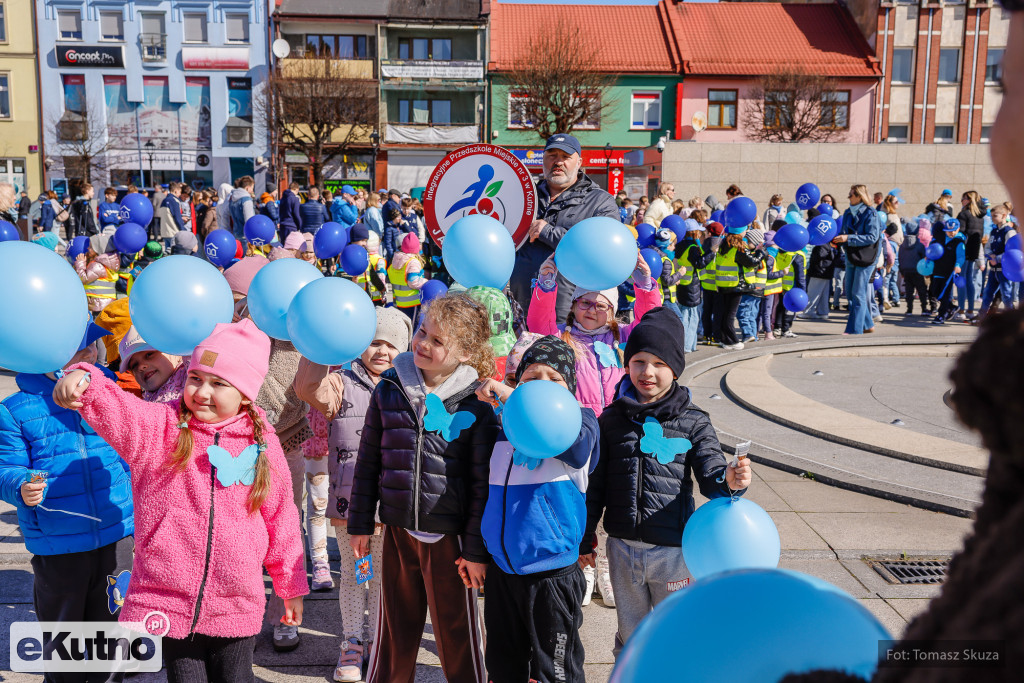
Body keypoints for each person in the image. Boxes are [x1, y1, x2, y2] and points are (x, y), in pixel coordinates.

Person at [53, 319, 309, 681]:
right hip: (168, 597)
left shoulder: (261, 444)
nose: (202, 392)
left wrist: (290, 585)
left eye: (219, 383)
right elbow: (119, 408)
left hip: (236, 598)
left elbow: (281, 517)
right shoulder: (160, 427)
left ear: (245, 393)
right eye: (196, 378)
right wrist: (85, 377)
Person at [581, 307, 751, 658]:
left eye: (659, 363)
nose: (647, 372)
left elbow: (711, 475)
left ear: (675, 368)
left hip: (673, 552)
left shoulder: (693, 421)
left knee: (677, 633)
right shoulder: (610, 420)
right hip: (622, 550)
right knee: (632, 635)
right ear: (627, 363)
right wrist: (584, 539)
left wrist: (730, 480)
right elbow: (594, 486)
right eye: (639, 361)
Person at [347, 294, 499, 683]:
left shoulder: (477, 406)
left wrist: (475, 551)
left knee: (457, 635)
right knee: (394, 631)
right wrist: (360, 523)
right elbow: (368, 461)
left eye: (437, 340)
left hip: (451, 542)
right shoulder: (389, 389)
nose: (423, 344)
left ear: (465, 353)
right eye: (422, 332)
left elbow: (482, 486)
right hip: (398, 532)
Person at [0, 325, 135, 683]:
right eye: (77, 348)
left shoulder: (108, 392)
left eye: (91, 345)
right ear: (45, 352)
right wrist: (21, 485)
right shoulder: (16, 410)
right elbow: (7, 467)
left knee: (114, 627)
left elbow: (129, 453)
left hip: (117, 531)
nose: (89, 354)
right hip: (58, 542)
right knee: (64, 634)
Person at [293, 308, 412, 683]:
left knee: (381, 577)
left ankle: (377, 639)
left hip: (391, 506)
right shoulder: (340, 383)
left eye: (391, 345)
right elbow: (306, 388)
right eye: (374, 342)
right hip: (351, 507)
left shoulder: (409, 386)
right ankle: (352, 642)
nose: (382, 351)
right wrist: (320, 346)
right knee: (358, 573)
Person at [474, 336, 600, 683]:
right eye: (531, 377)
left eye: (554, 378)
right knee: (502, 666)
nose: (542, 385)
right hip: (503, 570)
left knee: (555, 672)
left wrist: (517, 398)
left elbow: (578, 452)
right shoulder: (504, 425)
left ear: (570, 386)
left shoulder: (582, 420)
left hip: (551, 573)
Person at [529, 252, 658, 416]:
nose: (591, 310)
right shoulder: (559, 337)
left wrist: (645, 287)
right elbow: (539, 323)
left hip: (619, 420)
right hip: (578, 420)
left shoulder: (624, 335)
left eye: (601, 306)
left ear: (611, 312)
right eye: (585, 302)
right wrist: (545, 286)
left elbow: (650, 324)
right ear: (573, 305)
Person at [509, 134, 619, 319]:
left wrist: (548, 232)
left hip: (568, 311)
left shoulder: (600, 201)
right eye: (552, 155)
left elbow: (602, 250)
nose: (558, 162)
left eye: (566, 157)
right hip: (519, 307)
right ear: (543, 159)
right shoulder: (525, 197)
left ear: (579, 162)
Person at [833, 185, 883, 334]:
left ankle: (854, 330)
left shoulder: (871, 213)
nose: (848, 197)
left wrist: (848, 238)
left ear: (859, 196)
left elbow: (872, 237)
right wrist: (836, 240)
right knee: (850, 293)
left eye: (851, 195)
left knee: (858, 294)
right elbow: (843, 233)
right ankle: (868, 324)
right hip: (851, 256)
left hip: (866, 258)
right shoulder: (848, 212)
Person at [713, 224, 767, 349]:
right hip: (735, 285)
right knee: (730, 315)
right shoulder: (738, 247)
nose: (746, 232)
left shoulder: (723, 245)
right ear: (740, 232)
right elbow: (752, 262)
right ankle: (733, 341)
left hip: (722, 283)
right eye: (744, 230)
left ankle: (726, 340)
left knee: (724, 313)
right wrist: (761, 253)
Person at [119, 326, 189, 403]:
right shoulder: (144, 402)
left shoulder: (188, 372)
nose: (141, 366)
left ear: (173, 350)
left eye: (149, 354)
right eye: (134, 365)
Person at [674, 220, 711, 352]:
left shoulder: (679, 245)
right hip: (692, 286)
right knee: (691, 317)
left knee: (685, 315)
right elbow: (700, 264)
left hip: (683, 284)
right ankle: (687, 346)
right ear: (694, 233)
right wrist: (711, 253)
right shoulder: (692, 248)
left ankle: (690, 345)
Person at [978, 203, 1017, 317]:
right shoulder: (994, 231)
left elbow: (1012, 251)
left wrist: (998, 258)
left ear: (1004, 215)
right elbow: (987, 247)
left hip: (1005, 270)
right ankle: (981, 316)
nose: (992, 218)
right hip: (994, 270)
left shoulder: (1009, 232)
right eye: (991, 216)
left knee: (1006, 295)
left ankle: (1011, 317)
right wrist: (990, 256)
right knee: (987, 293)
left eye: (995, 216)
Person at [930, 218, 967, 325]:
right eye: (949, 231)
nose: (951, 233)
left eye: (954, 230)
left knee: (945, 293)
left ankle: (941, 315)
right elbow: (933, 251)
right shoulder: (940, 240)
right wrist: (928, 257)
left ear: (958, 229)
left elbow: (961, 256)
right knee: (935, 292)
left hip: (949, 272)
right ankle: (952, 307)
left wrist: (958, 265)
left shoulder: (959, 242)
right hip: (938, 270)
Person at [957, 190, 986, 320]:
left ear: (969, 200)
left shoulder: (964, 214)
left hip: (963, 250)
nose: (961, 201)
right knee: (969, 279)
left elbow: (960, 234)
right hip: (974, 251)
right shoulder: (980, 216)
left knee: (961, 279)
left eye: (963, 198)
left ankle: (961, 310)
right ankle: (970, 310)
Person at [75, 233, 120, 314]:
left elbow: (83, 279)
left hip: (98, 302)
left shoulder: (97, 265)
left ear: (98, 249)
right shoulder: (106, 263)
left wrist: (80, 263)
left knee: (96, 320)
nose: (88, 248)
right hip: (104, 301)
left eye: (91, 247)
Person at [387, 233, 427, 323]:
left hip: (400, 302)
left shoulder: (394, 261)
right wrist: (425, 282)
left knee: (405, 327)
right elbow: (413, 282)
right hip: (413, 302)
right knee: (413, 328)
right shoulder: (413, 262)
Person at [898, 216, 929, 316]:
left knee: (909, 290)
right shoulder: (919, 245)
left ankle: (909, 310)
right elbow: (924, 258)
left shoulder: (902, 246)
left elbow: (900, 258)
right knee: (921, 290)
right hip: (917, 270)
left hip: (906, 270)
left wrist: (901, 271)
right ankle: (924, 309)